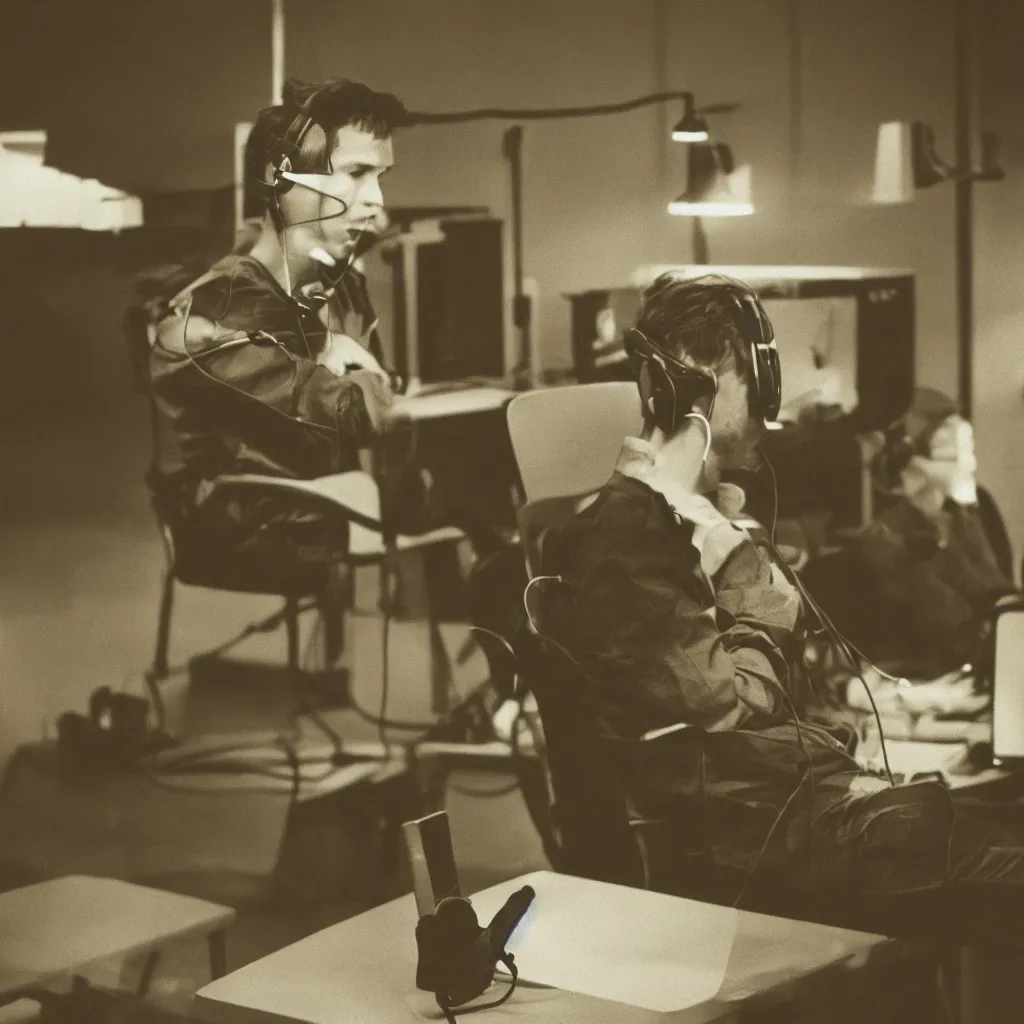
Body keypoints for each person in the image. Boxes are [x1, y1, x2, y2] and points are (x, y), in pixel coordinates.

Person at [532, 272, 1024, 945]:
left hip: (809, 817)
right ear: (699, 381)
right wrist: (750, 585)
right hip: (776, 848)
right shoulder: (627, 539)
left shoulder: (686, 522)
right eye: (758, 376)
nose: (770, 408)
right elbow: (731, 705)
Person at [148, 77, 411, 559]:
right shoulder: (210, 317)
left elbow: (377, 391)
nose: (377, 201)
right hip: (248, 523)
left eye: (380, 179)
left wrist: (364, 374)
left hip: (328, 497)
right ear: (280, 179)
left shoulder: (343, 285)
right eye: (355, 173)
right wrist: (353, 368)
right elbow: (356, 415)